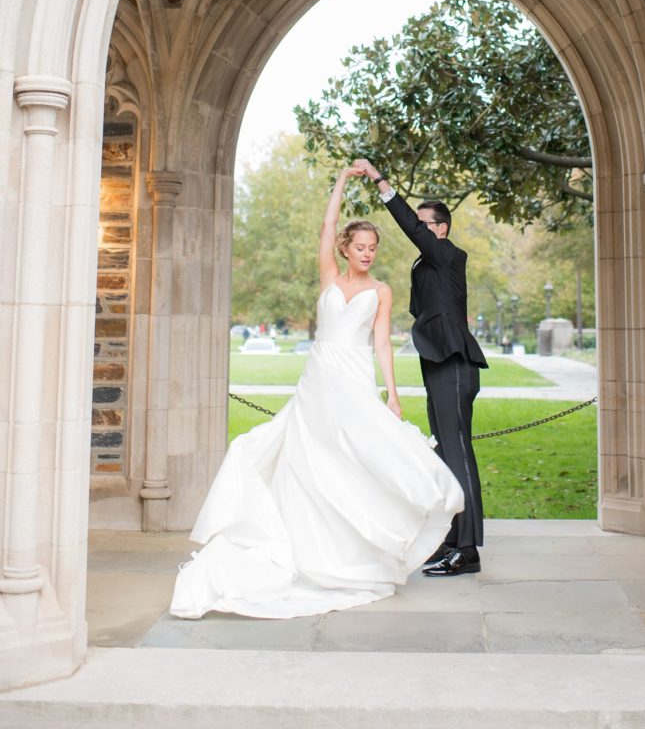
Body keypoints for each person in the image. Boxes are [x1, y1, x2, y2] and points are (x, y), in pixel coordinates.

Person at [169, 166, 463, 621]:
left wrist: (392, 393)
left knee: (354, 461)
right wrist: (343, 181)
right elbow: (327, 227)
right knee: (306, 460)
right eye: (359, 247)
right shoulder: (329, 276)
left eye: (372, 249)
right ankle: (305, 549)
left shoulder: (381, 291)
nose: (366, 255)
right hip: (319, 379)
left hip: (354, 379)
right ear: (345, 249)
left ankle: (357, 551)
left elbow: (381, 342)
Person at [353, 159, 487, 576]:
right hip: (438, 361)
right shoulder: (429, 264)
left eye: (426, 224)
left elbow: (411, 225)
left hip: (454, 362)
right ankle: (451, 539)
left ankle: (467, 550)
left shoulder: (447, 253)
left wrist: (381, 181)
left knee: (458, 453)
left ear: (440, 228)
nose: (420, 229)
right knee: (446, 454)